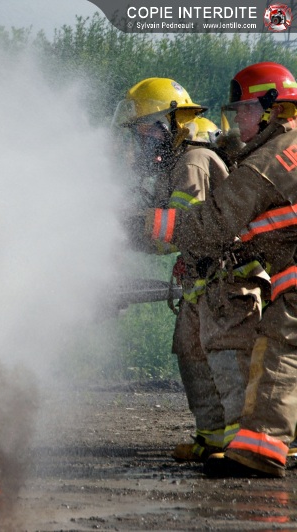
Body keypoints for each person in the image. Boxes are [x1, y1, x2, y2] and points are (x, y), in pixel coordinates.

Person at [138, 62, 297, 477]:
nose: (237, 121)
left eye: (245, 110)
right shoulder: (281, 150)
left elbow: (209, 226)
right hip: (260, 278)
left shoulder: (267, 162)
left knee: (276, 351)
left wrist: (136, 224)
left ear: (273, 108)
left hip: (241, 281)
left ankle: (258, 450)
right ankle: (244, 444)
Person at [114, 78, 263, 461]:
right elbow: (167, 237)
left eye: (147, 130)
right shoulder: (178, 164)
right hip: (202, 282)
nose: (142, 141)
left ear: (174, 123)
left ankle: (238, 444)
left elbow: (182, 228)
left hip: (226, 281)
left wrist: (126, 228)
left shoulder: (194, 162)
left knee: (225, 358)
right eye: (138, 132)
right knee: (192, 354)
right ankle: (212, 437)